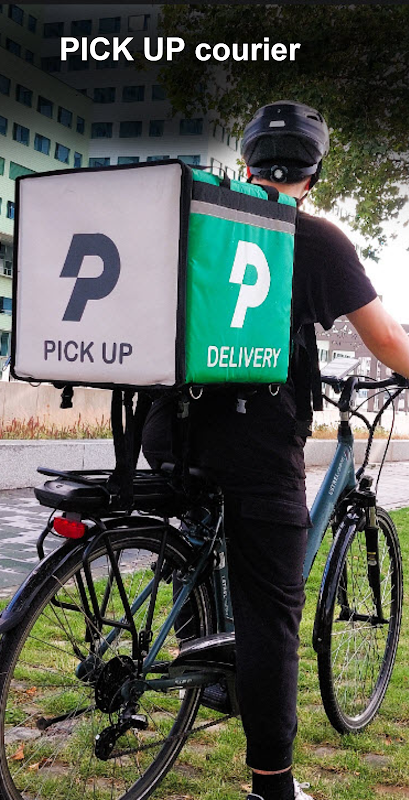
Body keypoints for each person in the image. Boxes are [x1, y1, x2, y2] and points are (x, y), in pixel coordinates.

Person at [142, 100, 409, 800]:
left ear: (248, 163)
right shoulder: (312, 237)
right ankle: (273, 786)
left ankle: (200, 641)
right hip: (254, 442)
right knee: (271, 612)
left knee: (198, 532)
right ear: (313, 175)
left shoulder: (199, 214)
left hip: (165, 427)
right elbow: (386, 339)